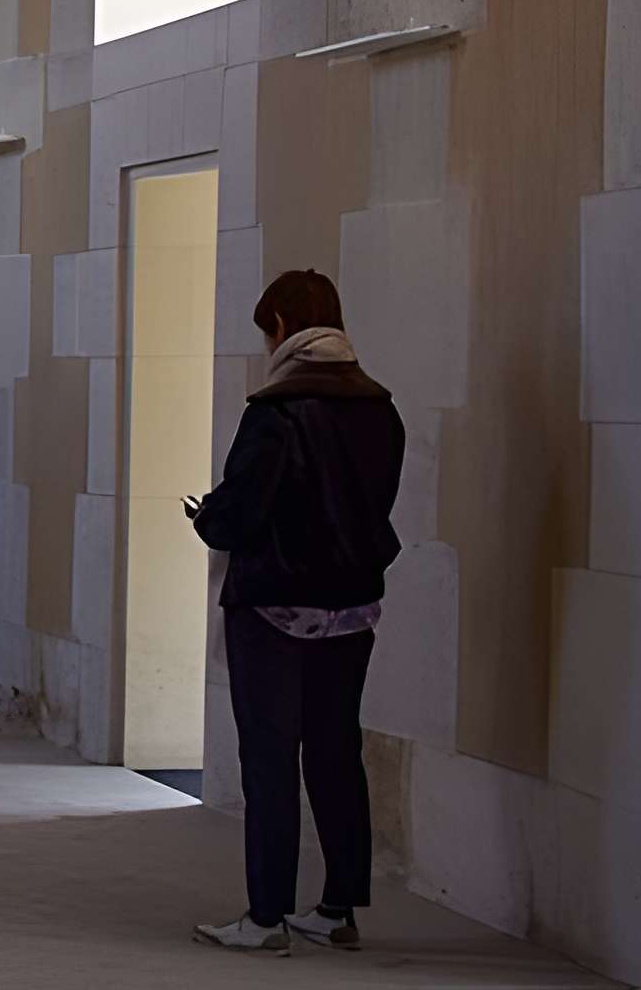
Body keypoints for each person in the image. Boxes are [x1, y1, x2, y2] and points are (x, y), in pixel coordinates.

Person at [186, 270, 403, 957]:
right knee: (337, 752)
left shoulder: (275, 411)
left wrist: (206, 517)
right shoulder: (380, 407)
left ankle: (266, 917)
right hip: (353, 606)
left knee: (270, 758)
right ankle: (338, 909)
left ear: (280, 325)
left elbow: (242, 511)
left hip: (274, 607)